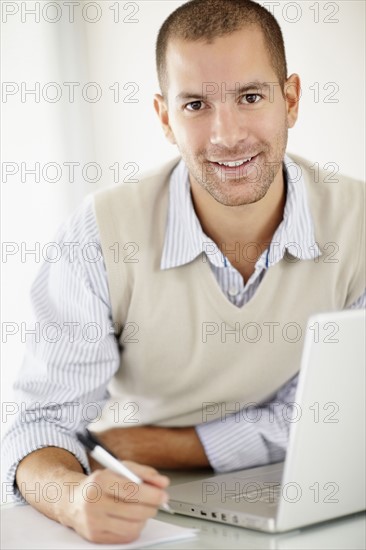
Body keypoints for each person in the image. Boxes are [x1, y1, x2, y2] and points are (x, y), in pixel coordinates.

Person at [2, 0, 365, 544]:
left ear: (289, 99)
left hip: (322, 497)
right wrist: (74, 499)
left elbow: (344, 419)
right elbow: (39, 427)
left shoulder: (359, 225)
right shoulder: (99, 234)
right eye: (196, 104)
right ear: (165, 117)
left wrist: (152, 442)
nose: (227, 135)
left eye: (250, 97)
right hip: (142, 502)